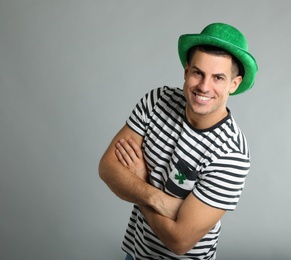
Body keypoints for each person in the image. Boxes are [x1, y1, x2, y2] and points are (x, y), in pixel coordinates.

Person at [99, 22, 258, 259]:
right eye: (198, 73)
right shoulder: (157, 101)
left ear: (233, 84)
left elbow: (179, 240)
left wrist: (141, 184)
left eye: (218, 78)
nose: (204, 86)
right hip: (135, 252)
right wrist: (158, 199)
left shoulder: (231, 154)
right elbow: (107, 168)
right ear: (186, 71)